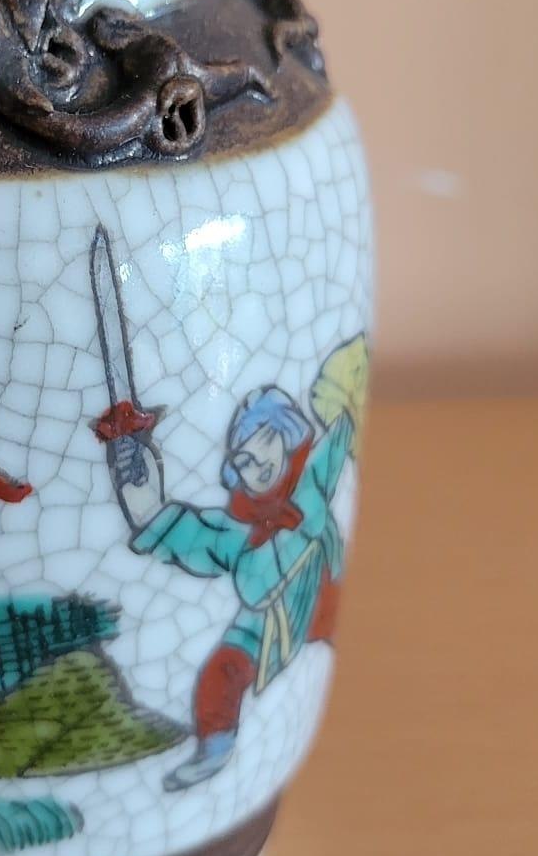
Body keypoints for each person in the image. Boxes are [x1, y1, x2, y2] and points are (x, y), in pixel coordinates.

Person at [106, 335, 368, 790]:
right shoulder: (239, 526)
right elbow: (197, 536)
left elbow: (342, 431)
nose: (256, 463)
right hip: (264, 623)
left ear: (287, 434)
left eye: (265, 442)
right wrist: (148, 510)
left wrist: (346, 393)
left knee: (327, 646)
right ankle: (215, 747)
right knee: (220, 673)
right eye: (243, 460)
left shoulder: (311, 480)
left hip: (319, 595)